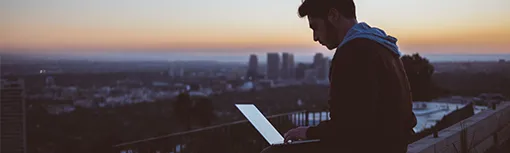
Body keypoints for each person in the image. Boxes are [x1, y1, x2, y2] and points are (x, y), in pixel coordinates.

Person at [262, 0, 417, 153]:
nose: (315, 37)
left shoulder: (352, 52)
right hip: (393, 146)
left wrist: (309, 133)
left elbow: (349, 128)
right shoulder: (382, 46)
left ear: (333, 15)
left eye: (315, 27)